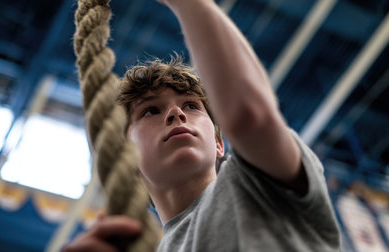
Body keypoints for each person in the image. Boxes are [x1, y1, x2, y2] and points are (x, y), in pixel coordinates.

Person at [64, 0, 341, 251]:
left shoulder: (260, 181)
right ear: (127, 157)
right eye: (150, 111)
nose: (175, 113)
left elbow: (249, 117)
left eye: (191, 106)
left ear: (219, 144)